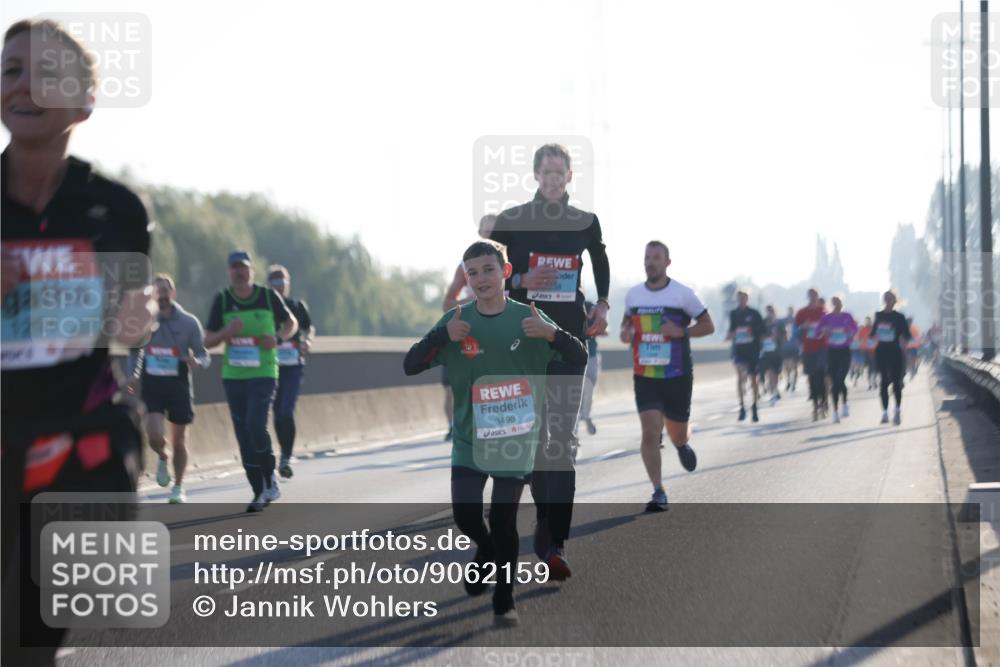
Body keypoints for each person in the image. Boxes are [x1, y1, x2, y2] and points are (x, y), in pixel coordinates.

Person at [1, 19, 155, 665]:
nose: (24, 85)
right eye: (11, 70)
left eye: (48, 73)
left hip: (81, 423)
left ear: (85, 102)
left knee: (38, 626)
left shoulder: (117, 207)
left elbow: (130, 318)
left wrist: (135, 319)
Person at [403, 241, 586, 625]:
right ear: (465, 278)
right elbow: (410, 365)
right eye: (472, 273)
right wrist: (441, 338)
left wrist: (552, 335)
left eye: (488, 270)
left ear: (504, 273)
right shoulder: (456, 321)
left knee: (504, 520)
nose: (481, 279)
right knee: (467, 517)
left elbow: (578, 356)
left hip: (517, 442)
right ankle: (485, 552)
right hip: (470, 441)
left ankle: (504, 598)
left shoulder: (529, 318)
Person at [489, 143, 610, 579]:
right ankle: (543, 519)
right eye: (547, 172)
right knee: (534, 441)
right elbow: (486, 267)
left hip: (569, 339)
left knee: (561, 441)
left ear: (570, 176)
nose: (554, 179)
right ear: (536, 175)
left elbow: (599, 259)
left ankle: (555, 541)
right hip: (523, 343)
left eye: (561, 173)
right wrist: (519, 278)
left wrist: (603, 305)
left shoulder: (585, 222)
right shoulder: (515, 221)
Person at [621, 241, 714, 512]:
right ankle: (658, 490)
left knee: (676, 431)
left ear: (667, 263)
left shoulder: (683, 294)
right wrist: (626, 333)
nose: (650, 262)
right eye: (647, 258)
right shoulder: (634, 295)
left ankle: (682, 443)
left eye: (656, 258)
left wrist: (682, 332)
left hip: (677, 374)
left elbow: (709, 325)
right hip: (645, 374)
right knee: (650, 433)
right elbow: (627, 325)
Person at [204, 250, 297, 512]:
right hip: (234, 376)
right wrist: (227, 332)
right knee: (244, 436)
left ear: (251, 271)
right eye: (234, 268)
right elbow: (207, 341)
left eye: (243, 267)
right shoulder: (222, 300)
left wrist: (278, 339)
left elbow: (291, 323)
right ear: (228, 272)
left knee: (256, 426)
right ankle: (259, 491)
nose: (239, 272)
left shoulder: (268, 296)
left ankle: (270, 478)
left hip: (264, 372)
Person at [127, 274, 210, 502]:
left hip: (179, 387)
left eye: (165, 291)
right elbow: (134, 352)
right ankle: (163, 456)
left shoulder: (189, 322)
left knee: (180, 441)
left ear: (172, 294)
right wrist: (132, 376)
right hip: (153, 385)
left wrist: (197, 361)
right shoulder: (143, 320)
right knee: (153, 434)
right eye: (157, 291)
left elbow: (204, 354)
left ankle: (178, 487)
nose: (162, 296)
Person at [441, 215, 498, 441]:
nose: (491, 235)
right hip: (476, 333)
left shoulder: (517, 263)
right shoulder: (466, 266)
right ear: (480, 233)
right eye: (487, 231)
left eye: (496, 231)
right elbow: (447, 304)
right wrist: (475, 302)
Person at [267, 265, 314, 479]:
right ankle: (283, 454)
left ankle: (286, 457)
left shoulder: (297, 305)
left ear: (288, 284)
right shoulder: (266, 306)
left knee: (286, 410)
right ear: (269, 285)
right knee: (277, 413)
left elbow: (308, 327)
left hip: (293, 365)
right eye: (274, 283)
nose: (279, 287)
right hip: (271, 365)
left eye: (282, 282)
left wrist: (308, 340)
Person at [726, 289, 764, 422]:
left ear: (748, 299)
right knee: (740, 376)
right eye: (740, 298)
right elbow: (731, 329)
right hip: (739, 350)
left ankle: (754, 405)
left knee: (753, 379)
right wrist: (731, 335)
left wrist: (752, 332)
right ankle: (742, 407)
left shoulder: (754, 314)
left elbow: (762, 331)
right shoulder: (733, 314)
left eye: (744, 298)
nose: (742, 300)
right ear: (737, 299)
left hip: (752, 350)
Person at [818, 296, 858, 423]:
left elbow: (855, 330)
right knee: (835, 381)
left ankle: (845, 403)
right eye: (834, 303)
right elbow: (818, 332)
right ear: (832, 304)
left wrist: (849, 332)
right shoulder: (827, 318)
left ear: (842, 304)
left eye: (839, 303)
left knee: (840, 379)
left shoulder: (847, 316)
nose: (836, 305)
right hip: (832, 351)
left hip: (844, 351)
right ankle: (835, 411)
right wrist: (825, 331)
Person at [874, 291, 911, 425]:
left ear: (895, 301)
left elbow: (907, 335)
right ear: (883, 300)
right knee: (884, 382)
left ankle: (897, 410)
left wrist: (902, 340)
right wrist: (878, 333)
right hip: (882, 352)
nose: (889, 301)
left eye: (891, 299)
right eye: (886, 299)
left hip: (896, 352)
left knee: (896, 383)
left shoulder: (899, 317)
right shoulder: (878, 315)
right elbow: (873, 333)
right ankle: (884, 413)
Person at [795, 288, 829, 421]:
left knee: (821, 376)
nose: (813, 298)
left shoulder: (824, 312)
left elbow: (830, 327)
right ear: (808, 297)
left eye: (815, 296)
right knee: (812, 378)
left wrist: (826, 330)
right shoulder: (802, 313)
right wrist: (803, 327)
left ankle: (824, 401)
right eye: (811, 296)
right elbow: (794, 330)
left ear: (818, 297)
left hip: (822, 348)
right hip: (808, 348)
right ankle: (815, 406)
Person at [576, 301, 603, 436]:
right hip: (573, 355)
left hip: (591, 355)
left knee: (589, 389)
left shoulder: (590, 306)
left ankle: (586, 415)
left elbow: (604, 327)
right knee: (573, 392)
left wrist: (596, 329)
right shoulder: (567, 303)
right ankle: (573, 432)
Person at [760, 305, 786, 405]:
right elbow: (759, 334)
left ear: (775, 312)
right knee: (770, 372)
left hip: (778, 352)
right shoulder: (763, 322)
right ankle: (773, 393)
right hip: (766, 352)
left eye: (772, 311)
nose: (770, 313)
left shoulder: (779, 323)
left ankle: (775, 389)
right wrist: (764, 338)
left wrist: (778, 336)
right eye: (768, 311)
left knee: (776, 373)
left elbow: (785, 336)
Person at [781, 305, 800, 392]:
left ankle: (794, 384)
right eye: (789, 311)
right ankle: (788, 380)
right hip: (785, 347)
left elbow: (800, 333)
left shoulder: (797, 321)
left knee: (795, 366)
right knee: (786, 365)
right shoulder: (783, 321)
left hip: (795, 347)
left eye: (791, 311)